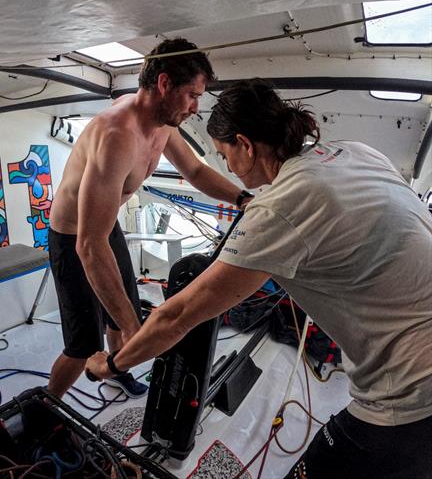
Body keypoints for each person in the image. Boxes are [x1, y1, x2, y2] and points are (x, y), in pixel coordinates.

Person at [86, 79, 432, 478]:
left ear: (245, 145)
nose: (227, 167)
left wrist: (111, 364)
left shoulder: (279, 208)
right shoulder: (356, 152)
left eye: (224, 154)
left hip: (411, 390)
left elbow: (177, 316)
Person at [46, 38, 252, 399]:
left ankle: (114, 369)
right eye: (191, 94)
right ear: (164, 84)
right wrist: (137, 334)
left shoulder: (162, 124)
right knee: (81, 347)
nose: (195, 107)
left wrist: (242, 198)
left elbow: (195, 171)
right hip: (73, 237)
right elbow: (89, 247)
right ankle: (47, 408)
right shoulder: (116, 135)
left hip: (103, 228)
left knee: (118, 314)